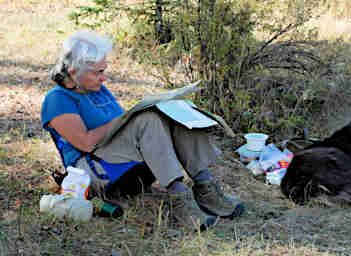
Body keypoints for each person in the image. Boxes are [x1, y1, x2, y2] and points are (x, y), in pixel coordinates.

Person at [41, 30, 244, 230]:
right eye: (98, 72)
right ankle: (179, 200)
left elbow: (121, 130)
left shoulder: (95, 89)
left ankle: (205, 187)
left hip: (126, 165)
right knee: (147, 119)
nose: (104, 78)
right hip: (96, 174)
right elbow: (85, 143)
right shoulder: (58, 99)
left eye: (103, 70)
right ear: (74, 71)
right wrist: (128, 117)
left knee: (173, 111)